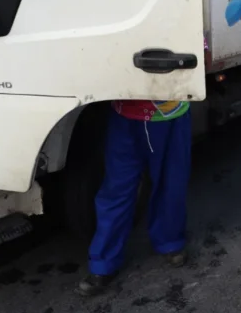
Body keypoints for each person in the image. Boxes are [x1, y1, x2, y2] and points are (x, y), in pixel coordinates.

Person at [77, 98, 192, 296]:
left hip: (171, 114)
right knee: (117, 188)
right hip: (125, 115)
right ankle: (103, 263)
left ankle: (170, 241)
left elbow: (203, 67)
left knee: (171, 183)